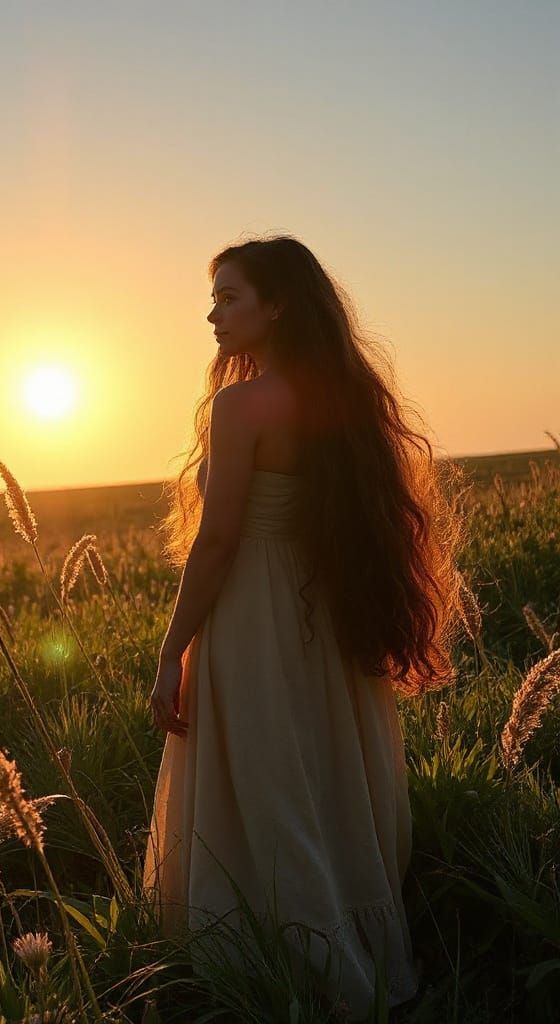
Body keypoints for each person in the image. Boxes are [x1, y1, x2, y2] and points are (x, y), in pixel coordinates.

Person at [142, 235, 468, 1020]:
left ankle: (270, 960)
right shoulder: (341, 399)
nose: (212, 313)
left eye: (229, 297)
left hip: (253, 613)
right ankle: (354, 949)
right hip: (329, 609)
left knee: (264, 781)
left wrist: (170, 650)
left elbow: (217, 543)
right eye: (213, 297)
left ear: (277, 305)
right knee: (323, 776)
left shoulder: (241, 405)